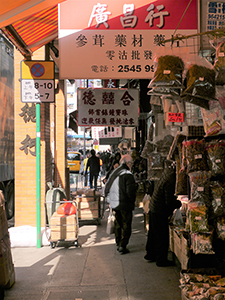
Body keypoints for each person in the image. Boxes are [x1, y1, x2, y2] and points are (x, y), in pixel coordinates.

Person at [144, 161, 181, 267]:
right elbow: (168, 202)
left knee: (153, 233)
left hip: (154, 207)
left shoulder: (167, 176)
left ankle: (150, 254)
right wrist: (178, 204)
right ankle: (161, 260)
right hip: (159, 210)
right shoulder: (171, 181)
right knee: (161, 235)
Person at [104, 155, 136, 254]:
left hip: (115, 202)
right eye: (131, 163)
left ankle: (118, 243)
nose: (132, 165)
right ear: (127, 163)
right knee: (126, 224)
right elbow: (130, 192)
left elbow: (107, 186)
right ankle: (123, 245)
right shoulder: (128, 174)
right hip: (125, 203)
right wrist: (132, 201)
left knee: (118, 224)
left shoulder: (115, 172)